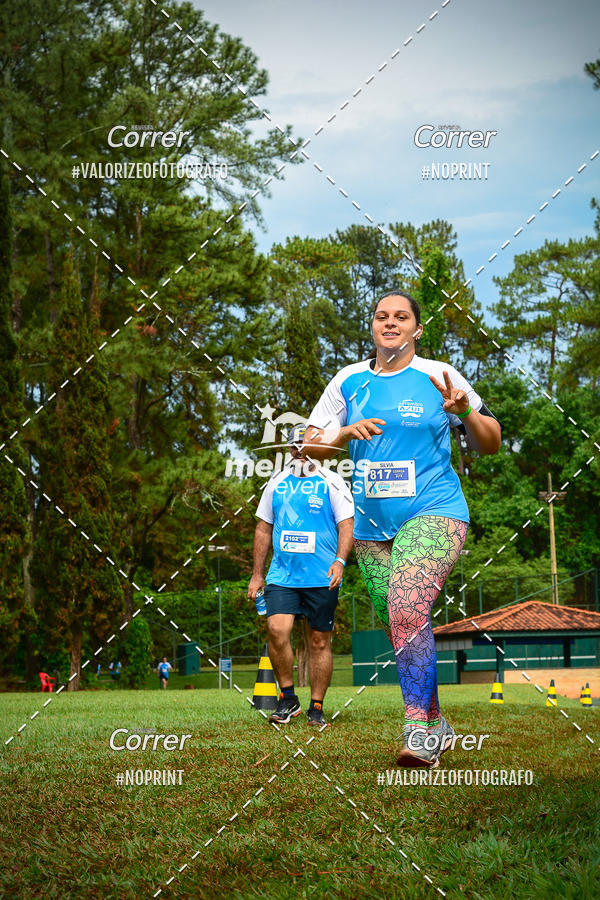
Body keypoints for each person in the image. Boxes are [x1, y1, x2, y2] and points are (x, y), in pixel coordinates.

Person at [304, 290, 501, 765]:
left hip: (435, 510)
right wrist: (343, 433)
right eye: (381, 316)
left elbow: (491, 443)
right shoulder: (348, 380)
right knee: (403, 623)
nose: (390, 323)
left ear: (417, 328)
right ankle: (438, 723)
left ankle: (418, 732)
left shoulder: (439, 375)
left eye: (401, 317)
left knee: (408, 609)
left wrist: (464, 412)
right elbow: (308, 447)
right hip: (372, 528)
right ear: (372, 326)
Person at [248, 424, 354, 727]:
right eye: (295, 446)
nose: (300, 452)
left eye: (305, 446)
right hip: (282, 576)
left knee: (319, 641)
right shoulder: (276, 482)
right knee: (276, 630)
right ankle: (287, 698)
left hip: (322, 576)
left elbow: (347, 524)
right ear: (289, 450)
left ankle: (316, 707)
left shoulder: (332, 481)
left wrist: (340, 561)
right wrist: (257, 575)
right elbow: (263, 528)